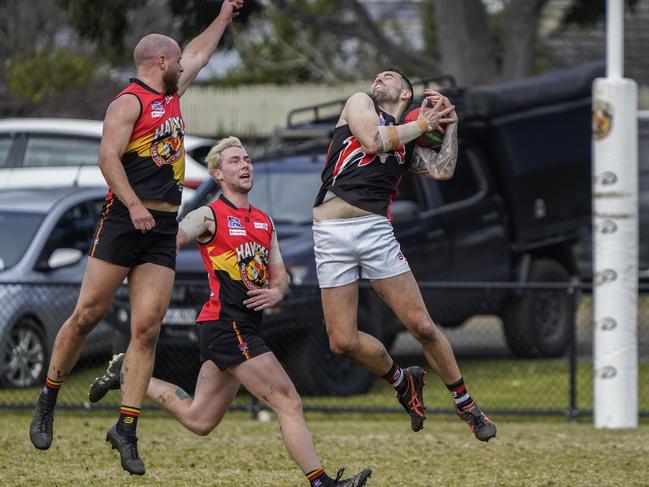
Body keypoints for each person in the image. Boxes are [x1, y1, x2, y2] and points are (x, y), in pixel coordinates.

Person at [29, 0, 245, 476]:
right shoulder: (128, 102)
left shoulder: (171, 96)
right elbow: (108, 159)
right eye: (177, 62)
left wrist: (226, 14)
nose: (184, 66)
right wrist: (132, 205)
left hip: (163, 227)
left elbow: (201, 52)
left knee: (146, 328)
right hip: (126, 221)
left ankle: (126, 429)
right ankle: (48, 397)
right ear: (160, 63)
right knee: (88, 314)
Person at [87, 137, 372, 487]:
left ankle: (126, 372)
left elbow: (279, 275)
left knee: (199, 419)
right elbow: (175, 236)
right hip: (227, 324)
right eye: (236, 161)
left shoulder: (264, 221)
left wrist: (276, 291)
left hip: (242, 326)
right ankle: (322, 483)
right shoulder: (209, 214)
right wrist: (145, 232)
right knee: (288, 401)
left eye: (248, 159)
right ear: (218, 174)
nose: (246, 165)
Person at [312, 69, 497, 441]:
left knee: (423, 327)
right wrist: (425, 123)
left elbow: (442, 170)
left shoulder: (406, 140)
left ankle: (467, 406)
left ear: (405, 95)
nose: (379, 78)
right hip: (330, 233)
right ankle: (403, 381)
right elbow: (372, 141)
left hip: (374, 232)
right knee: (342, 341)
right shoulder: (359, 103)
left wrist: (452, 125)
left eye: (389, 76)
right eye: (378, 75)